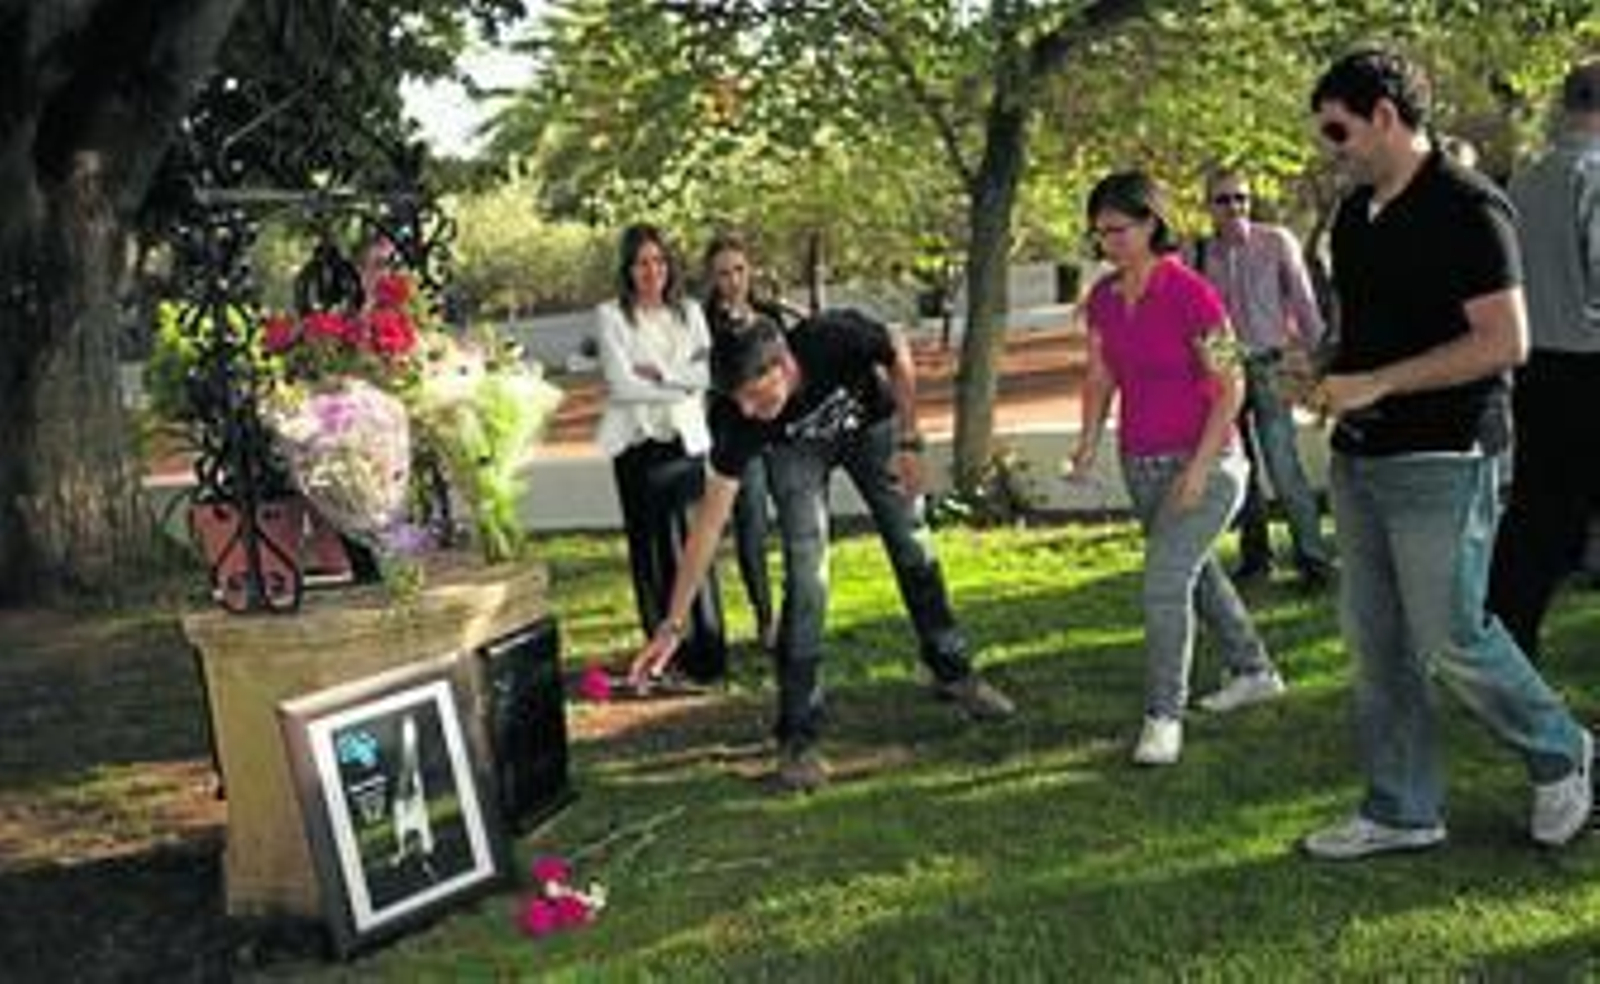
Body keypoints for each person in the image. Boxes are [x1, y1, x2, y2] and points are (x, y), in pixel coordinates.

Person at [1300, 49, 1592, 860]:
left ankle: (1563, 751)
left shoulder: (1470, 207)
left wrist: (1380, 382)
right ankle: (1401, 809)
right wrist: (1326, 370)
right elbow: (1363, 333)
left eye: (1338, 127)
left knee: (1452, 636)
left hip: (1447, 453)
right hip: (1362, 460)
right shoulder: (1357, 217)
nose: (1333, 145)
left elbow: (1506, 343)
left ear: (1386, 115)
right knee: (1378, 644)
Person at [627, 310, 1015, 792]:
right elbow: (708, 524)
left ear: (783, 366)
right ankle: (798, 739)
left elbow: (895, 345)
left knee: (911, 541)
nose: (747, 410)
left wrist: (911, 439)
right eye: (738, 400)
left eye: (754, 394)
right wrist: (672, 623)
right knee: (807, 576)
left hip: (870, 427)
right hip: (796, 454)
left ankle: (955, 672)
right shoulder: (737, 419)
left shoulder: (833, 338)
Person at [1067, 170, 1284, 767]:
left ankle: (1163, 716)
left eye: (1119, 229)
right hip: (1141, 462)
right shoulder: (1104, 300)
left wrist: (1199, 467)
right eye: (1100, 232)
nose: (1108, 241)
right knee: (1197, 573)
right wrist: (1087, 441)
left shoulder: (1195, 294)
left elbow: (1230, 384)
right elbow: (1100, 374)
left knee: (1164, 582)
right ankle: (1254, 670)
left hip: (1210, 464)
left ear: (1152, 224)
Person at [1487, 61, 1600, 662]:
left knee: (1535, 517)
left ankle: (1507, 652)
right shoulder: (1595, 176)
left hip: (1537, 365)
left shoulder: (1525, 183)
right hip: (1590, 365)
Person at [1192, 167, 1335, 587]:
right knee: (1242, 470)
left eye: (1242, 198)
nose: (1235, 207)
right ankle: (1256, 561)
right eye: (1224, 199)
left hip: (1271, 364)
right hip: (1226, 367)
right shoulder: (1199, 254)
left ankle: (1312, 560)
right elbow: (1196, 320)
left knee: (1283, 463)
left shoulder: (1276, 242)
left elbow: (1304, 305)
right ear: (1209, 206)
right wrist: (1212, 367)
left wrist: (1319, 361)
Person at [596, 224, 727, 682]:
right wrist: (675, 377)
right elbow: (620, 383)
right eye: (641, 263)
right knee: (652, 550)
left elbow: (705, 376)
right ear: (628, 270)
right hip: (637, 449)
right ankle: (662, 656)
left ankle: (706, 651)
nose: (651, 271)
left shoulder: (690, 312)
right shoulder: (611, 316)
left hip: (685, 444)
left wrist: (660, 373)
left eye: (658, 261)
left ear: (668, 266)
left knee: (694, 546)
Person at [701, 233, 789, 652]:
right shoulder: (704, 323)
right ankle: (765, 617)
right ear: (712, 278)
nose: (733, 280)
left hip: (782, 431)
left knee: (794, 516)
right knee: (751, 526)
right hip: (738, 437)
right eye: (723, 273)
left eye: (739, 270)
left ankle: (797, 606)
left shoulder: (770, 313)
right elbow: (713, 380)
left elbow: (788, 366)